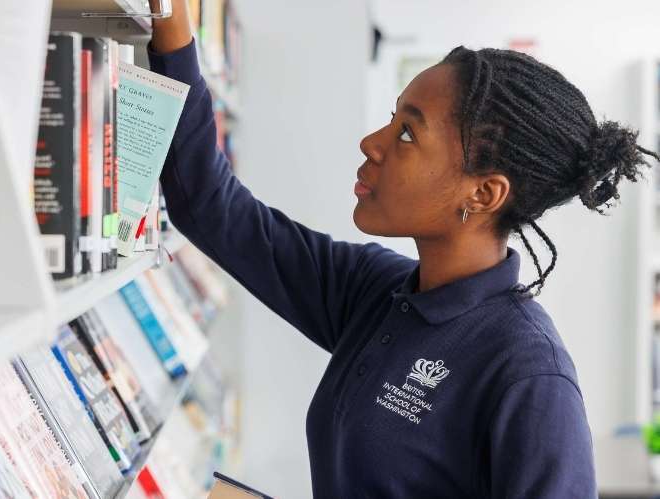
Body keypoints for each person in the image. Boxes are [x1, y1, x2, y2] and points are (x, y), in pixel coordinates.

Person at [147, 2, 660, 497]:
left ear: (483, 194)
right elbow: (211, 210)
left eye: (408, 133)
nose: (372, 142)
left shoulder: (527, 374)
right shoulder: (375, 291)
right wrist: (168, 16)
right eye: (393, 119)